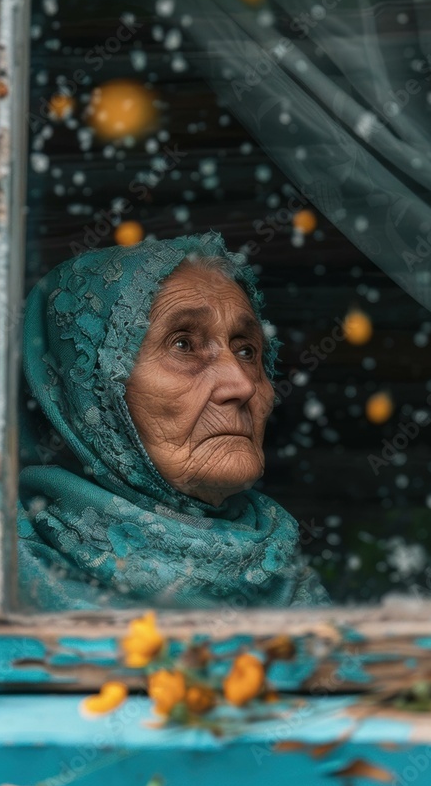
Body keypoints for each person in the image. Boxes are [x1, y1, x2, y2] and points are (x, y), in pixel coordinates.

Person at [17, 230, 331, 609]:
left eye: (247, 351)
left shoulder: (284, 578)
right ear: (84, 389)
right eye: (183, 344)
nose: (243, 385)